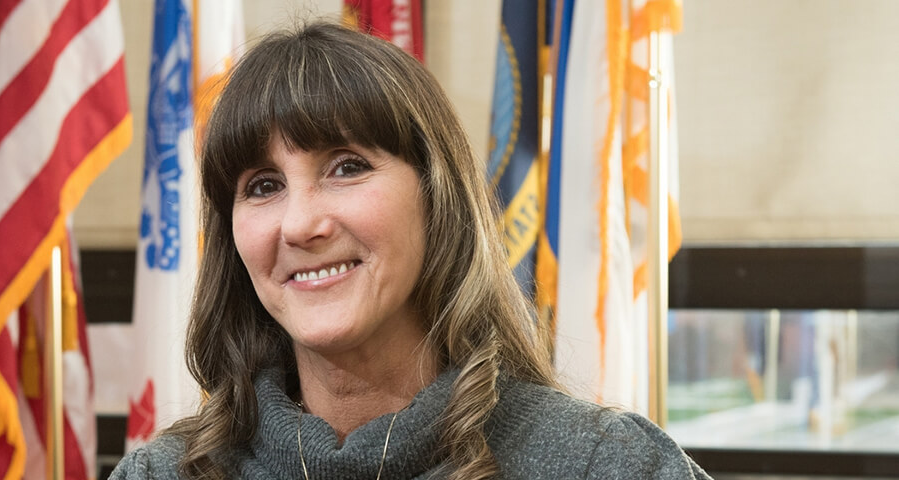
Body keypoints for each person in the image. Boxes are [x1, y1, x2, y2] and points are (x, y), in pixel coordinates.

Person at [111, 21, 711, 480]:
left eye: (346, 168)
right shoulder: (161, 474)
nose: (299, 224)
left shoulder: (602, 465)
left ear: (437, 196)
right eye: (262, 186)